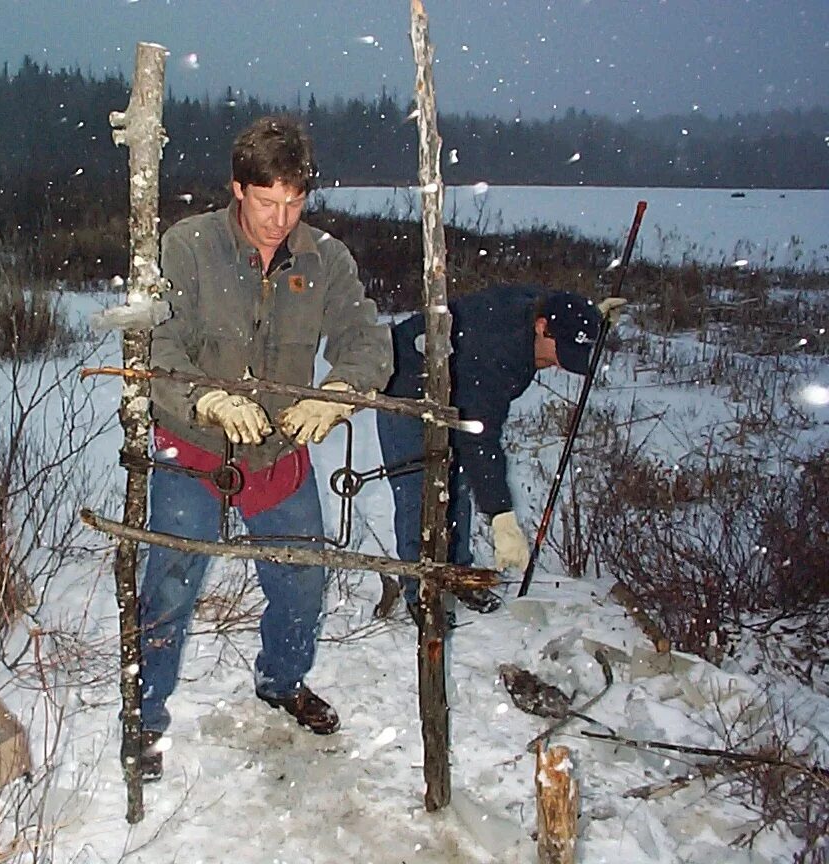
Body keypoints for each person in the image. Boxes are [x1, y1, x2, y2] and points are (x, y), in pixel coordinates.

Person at [138, 115, 393, 781]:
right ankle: (145, 717)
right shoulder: (187, 246)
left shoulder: (325, 259)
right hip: (192, 447)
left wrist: (339, 389)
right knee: (169, 587)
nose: (280, 218)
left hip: (277, 450)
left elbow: (366, 339)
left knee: (302, 583)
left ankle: (281, 681)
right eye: (266, 201)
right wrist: (202, 397)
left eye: (294, 202)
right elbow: (155, 342)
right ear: (237, 188)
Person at [378, 285, 625, 622]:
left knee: (456, 484)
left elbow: (556, 304)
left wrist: (590, 318)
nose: (558, 364)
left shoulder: (533, 313)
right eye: (560, 351)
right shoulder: (496, 349)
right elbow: (480, 437)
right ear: (540, 327)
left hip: (453, 387)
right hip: (405, 386)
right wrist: (501, 515)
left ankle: (457, 574)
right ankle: (422, 589)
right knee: (418, 494)